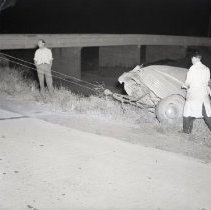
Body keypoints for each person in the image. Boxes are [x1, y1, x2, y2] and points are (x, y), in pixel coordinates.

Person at [182, 53, 211, 134]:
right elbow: (208, 81)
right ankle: (187, 131)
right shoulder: (206, 68)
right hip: (204, 94)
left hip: (194, 95)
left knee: (187, 112)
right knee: (207, 114)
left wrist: (184, 85)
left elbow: (188, 82)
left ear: (195, 58)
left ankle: (186, 131)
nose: (191, 60)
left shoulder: (193, 69)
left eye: (192, 59)